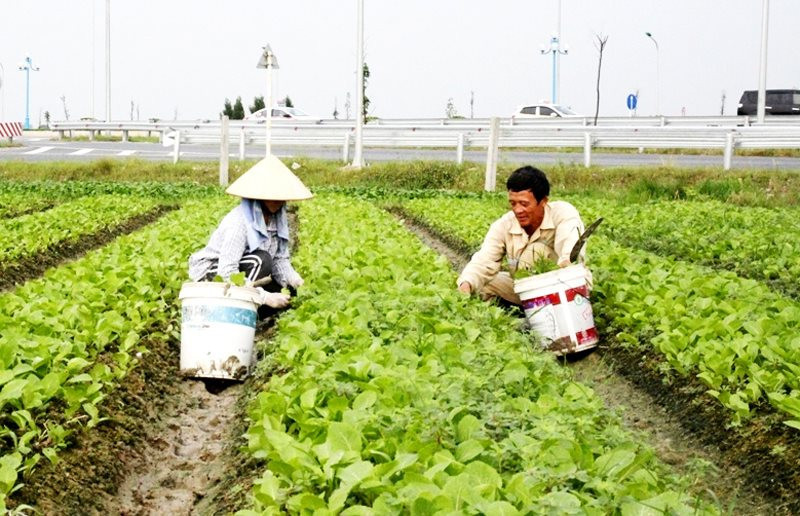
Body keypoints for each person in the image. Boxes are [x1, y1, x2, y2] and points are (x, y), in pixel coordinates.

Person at [188, 155, 313, 311]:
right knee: (261, 261)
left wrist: (296, 281)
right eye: (271, 196)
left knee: (286, 289)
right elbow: (226, 272)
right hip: (213, 276)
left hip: (244, 272)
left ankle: (253, 311)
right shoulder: (239, 222)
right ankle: (236, 310)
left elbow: (280, 260)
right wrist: (265, 297)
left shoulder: (278, 220)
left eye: (281, 196)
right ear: (257, 196)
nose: (278, 200)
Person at [457, 165, 591, 305]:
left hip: (562, 290)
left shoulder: (562, 214)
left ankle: (545, 314)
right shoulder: (504, 224)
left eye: (524, 204)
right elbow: (484, 261)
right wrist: (466, 284)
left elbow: (570, 252)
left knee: (536, 251)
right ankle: (516, 316)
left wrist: (566, 265)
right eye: (513, 203)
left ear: (543, 201)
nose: (518, 210)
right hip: (523, 289)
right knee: (482, 284)